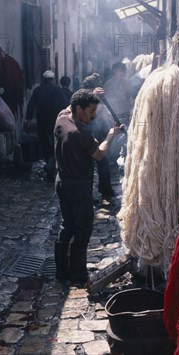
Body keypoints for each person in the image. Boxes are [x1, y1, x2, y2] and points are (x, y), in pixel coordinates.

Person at [53, 89, 124, 284]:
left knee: (67, 226)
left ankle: (61, 272)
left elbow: (70, 105)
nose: (93, 115)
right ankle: (78, 274)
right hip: (78, 187)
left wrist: (92, 94)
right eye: (91, 111)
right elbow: (99, 154)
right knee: (82, 231)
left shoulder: (61, 117)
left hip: (62, 182)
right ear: (79, 109)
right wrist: (111, 135)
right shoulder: (81, 133)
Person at [25, 70, 67, 181]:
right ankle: (51, 166)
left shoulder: (38, 90)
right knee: (55, 144)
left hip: (42, 122)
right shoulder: (57, 90)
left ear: (43, 80)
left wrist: (29, 120)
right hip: (55, 122)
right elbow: (65, 103)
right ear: (52, 80)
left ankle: (49, 165)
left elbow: (31, 105)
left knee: (45, 144)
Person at [81, 73, 114, 201]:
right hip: (86, 134)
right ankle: (87, 193)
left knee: (103, 163)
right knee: (87, 166)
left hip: (99, 134)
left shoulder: (98, 99)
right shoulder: (84, 98)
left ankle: (105, 191)